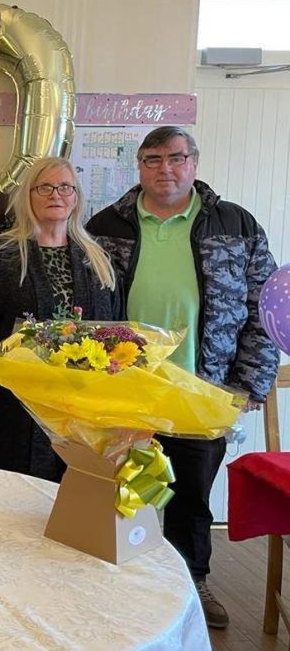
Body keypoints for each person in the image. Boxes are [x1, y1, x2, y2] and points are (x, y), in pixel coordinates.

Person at [86, 126, 278, 630]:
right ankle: (133, 583)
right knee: (133, 491)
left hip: (203, 388)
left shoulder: (235, 223)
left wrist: (250, 383)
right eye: (153, 159)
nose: (164, 169)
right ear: (140, 165)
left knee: (192, 495)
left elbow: (267, 308)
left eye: (176, 158)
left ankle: (193, 582)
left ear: (194, 161)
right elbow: (89, 308)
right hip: (130, 391)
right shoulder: (108, 224)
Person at [0, 157, 121, 482]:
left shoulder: (98, 259)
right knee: (14, 492)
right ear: (28, 196)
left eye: (65, 187)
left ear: (76, 197)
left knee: (74, 494)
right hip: (15, 405)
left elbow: (115, 331)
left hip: (81, 405)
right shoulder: (0, 257)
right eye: (44, 187)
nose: (56, 195)